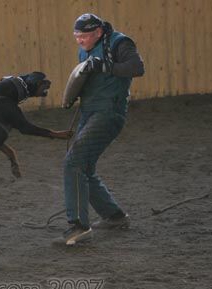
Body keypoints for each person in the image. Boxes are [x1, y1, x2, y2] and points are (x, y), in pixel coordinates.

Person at [59, 13, 145, 245]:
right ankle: (114, 216)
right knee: (83, 166)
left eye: (84, 36)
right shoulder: (86, 49)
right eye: (77, 36)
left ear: (98, 32)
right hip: (89, 111)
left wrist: (106, 66)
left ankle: (78, 227)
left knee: (73, 162)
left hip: (109, 113)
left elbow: (137, 68)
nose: (80, 40)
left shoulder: (120, 43)